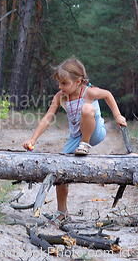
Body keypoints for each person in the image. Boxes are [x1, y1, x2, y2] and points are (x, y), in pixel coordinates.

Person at [23, 57, 127, 226]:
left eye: (64, 83)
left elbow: (107, 94)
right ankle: (62, 212)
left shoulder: (88, 92)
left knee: (88, 108)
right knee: (60, 170)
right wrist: (32, 139)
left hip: (94, 133)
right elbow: (47, 118)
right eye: (59, 83)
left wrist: (117, 116)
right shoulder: (60, 97)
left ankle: (85, 144)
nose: (60, 87)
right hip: (76, 138)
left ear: (78, 81)